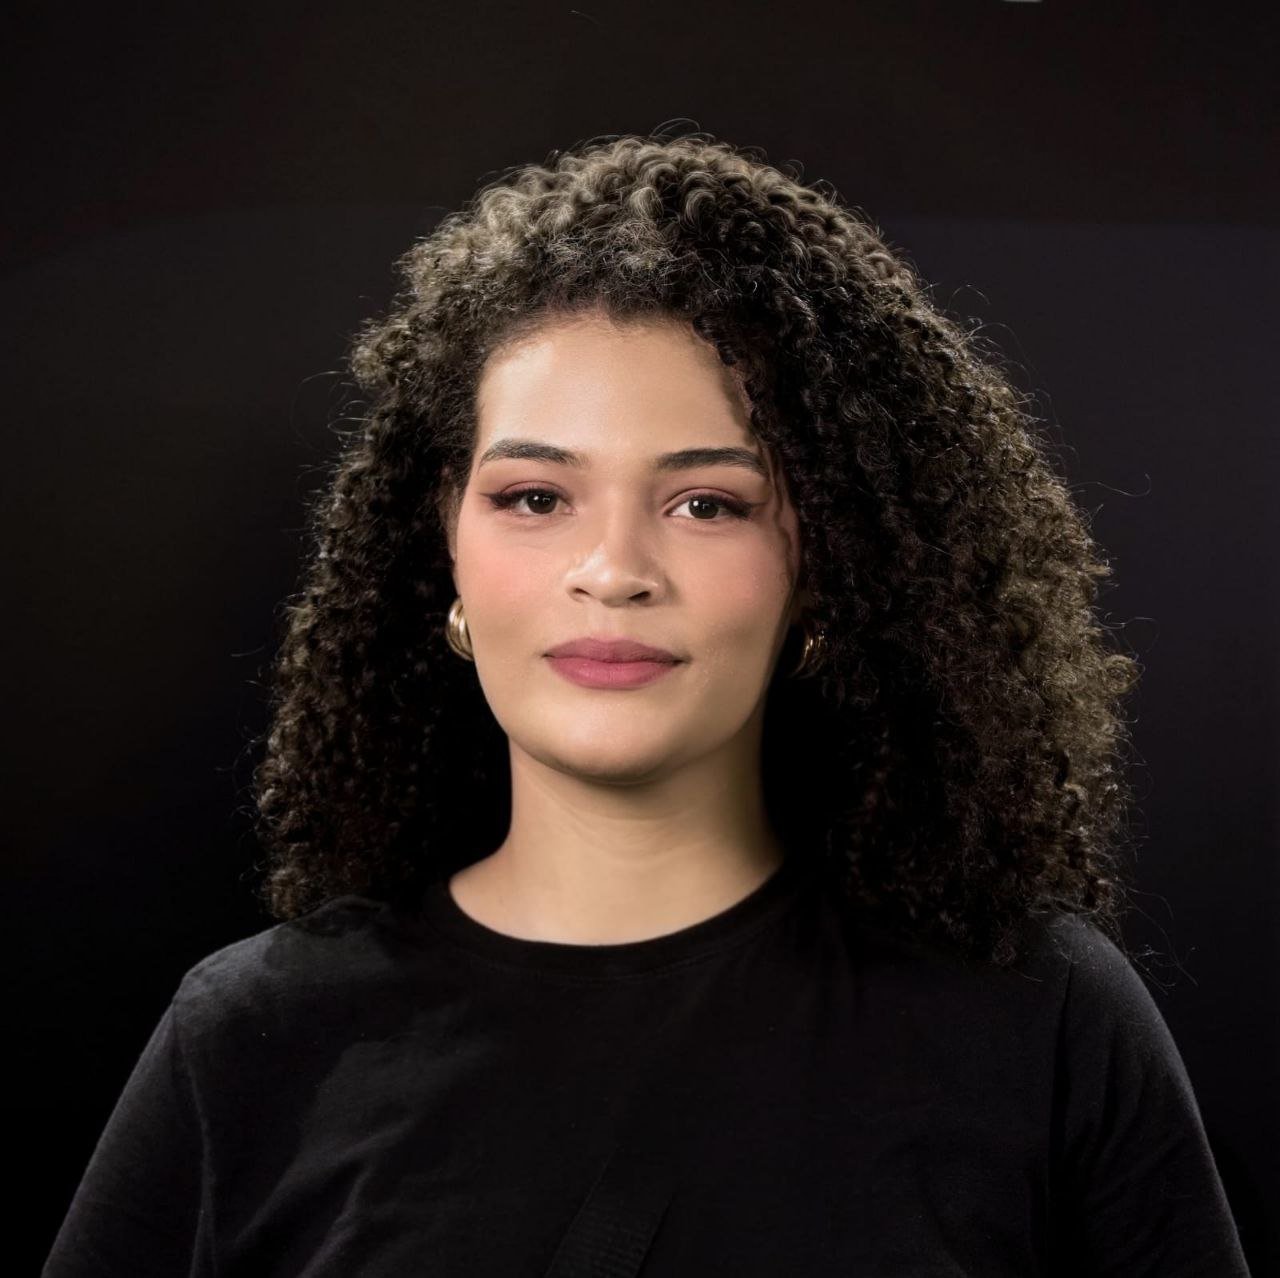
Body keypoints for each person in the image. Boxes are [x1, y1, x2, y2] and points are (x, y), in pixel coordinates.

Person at [43, 131, 1252, 1276]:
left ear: (820, 568)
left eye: (705, 504)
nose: (612, 570)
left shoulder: (1037, 1019)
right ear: (445, 547)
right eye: (534, 497)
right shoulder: (253, 1039)